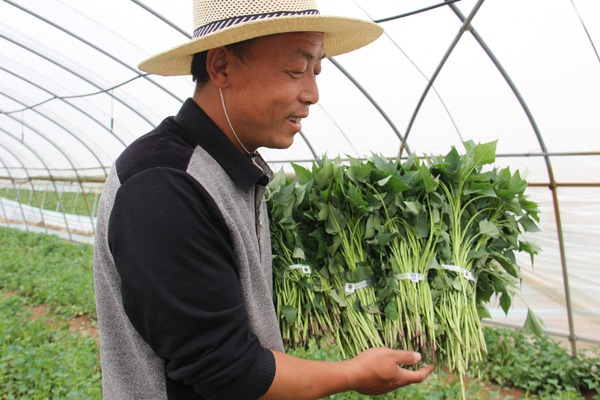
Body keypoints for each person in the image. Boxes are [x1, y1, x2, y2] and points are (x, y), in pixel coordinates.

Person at [93, 1, 435, 399]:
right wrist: (353, 374)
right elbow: (224, 369)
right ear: (221, 67)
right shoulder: (164, 185)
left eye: (316, 71)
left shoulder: (229, 168)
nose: (312, 94)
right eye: (295, 69)